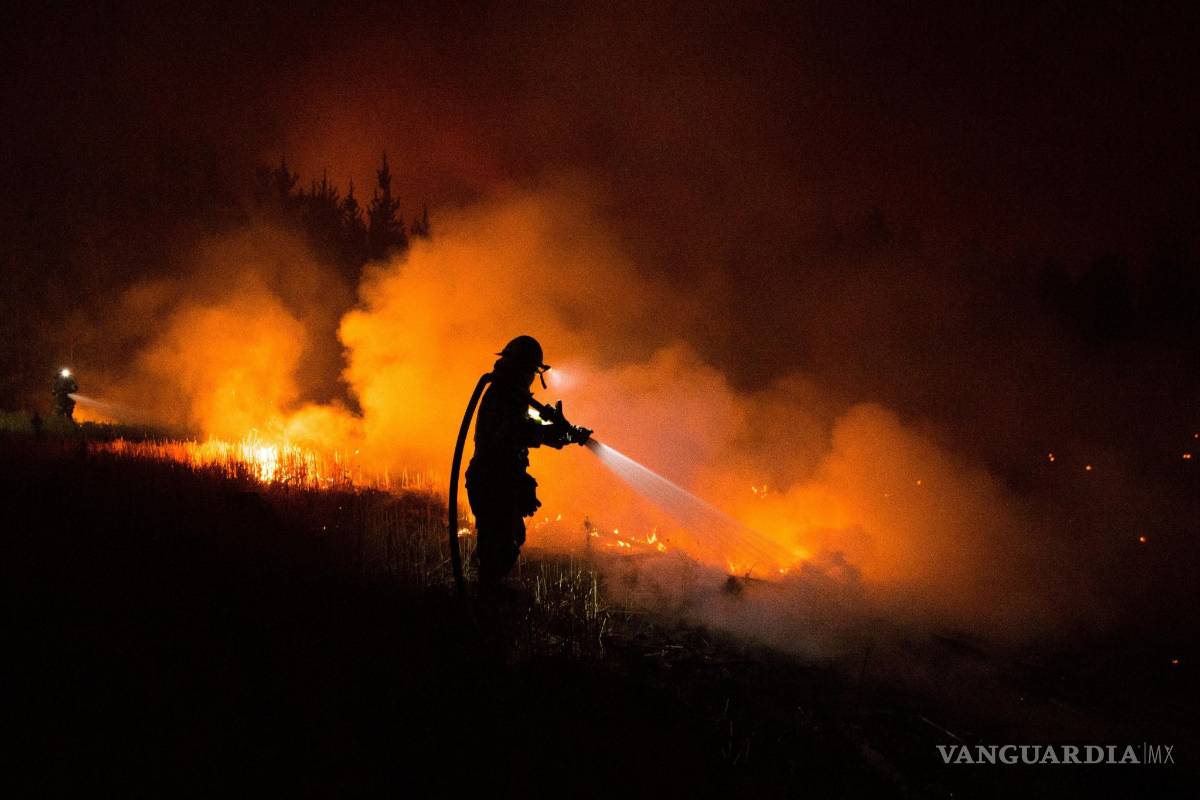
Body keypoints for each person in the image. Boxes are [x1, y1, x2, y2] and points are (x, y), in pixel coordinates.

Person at [465, 336, 589, 585]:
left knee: (506, 539)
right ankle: (484, 603)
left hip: (500, 479)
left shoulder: (511, 395)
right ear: (522, 369)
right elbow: (511, 432)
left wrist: (563, 433)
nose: (531, 378)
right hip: (491, 480)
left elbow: (529, 423)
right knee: (500, 546)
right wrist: (546, 434)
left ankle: (482, 590)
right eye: (531, 371)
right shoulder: (501, 393)